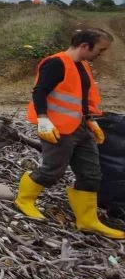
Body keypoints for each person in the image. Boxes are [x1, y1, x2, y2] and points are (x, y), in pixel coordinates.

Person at [15, 28, 123, 239]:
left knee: (91, 173)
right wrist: (43, 120)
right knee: (52, 171)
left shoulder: (82, 65)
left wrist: (90, 121)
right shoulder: (55, 63)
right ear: (85, 45)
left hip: (81, 128)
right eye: (100, 50)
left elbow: (81, 97)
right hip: (58, 128)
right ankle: (24, 200)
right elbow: (39, 92)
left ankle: (88, 220)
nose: (101, 54)